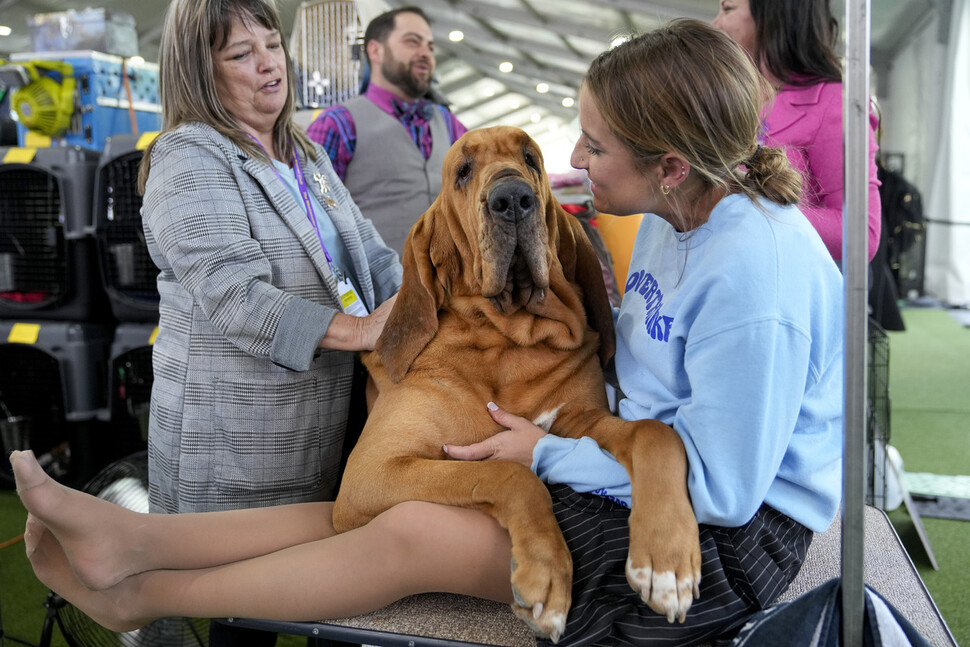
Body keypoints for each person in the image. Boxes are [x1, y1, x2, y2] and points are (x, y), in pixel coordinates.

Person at [12, 19, 843, 647]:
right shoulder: (666, 216)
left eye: (593, 145)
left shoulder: (753, 274)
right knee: (363, 504)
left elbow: (722, 486)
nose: (575, 162)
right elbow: (638, 390)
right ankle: (139, 538)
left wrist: (541, 454)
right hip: (629, 470)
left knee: (406, 529)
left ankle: (143, 594)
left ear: (670, 165)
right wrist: (420, 339)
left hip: (722, 533)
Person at [137, 0, 401, 643]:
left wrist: (433, 301)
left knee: (315, 600)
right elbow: (236, 297)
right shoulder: (188, 157)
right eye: (240, 54)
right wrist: (362, 332)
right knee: (241, 617)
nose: (268, 66)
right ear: (200, 73)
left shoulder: (304, 157)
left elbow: (372, 259)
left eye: (272, 45)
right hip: (233, 449)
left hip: (316, 434)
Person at [714, 0, 882, 264]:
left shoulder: (835, 102)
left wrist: (751, 210)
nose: (716, 24)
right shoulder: (741, 97)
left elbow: (861, 237)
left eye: (727, 9)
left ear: (772, 13)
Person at [306, 6, 467, 255]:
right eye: (413, 42)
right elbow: (311, 217)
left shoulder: (447, 122)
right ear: (375, 50)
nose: (426, 53)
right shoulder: (337, 124)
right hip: (381, 290)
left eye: (431, 47)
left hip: (454, 286)